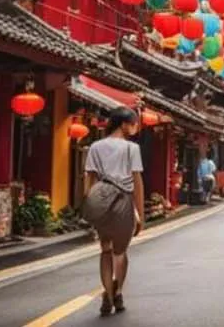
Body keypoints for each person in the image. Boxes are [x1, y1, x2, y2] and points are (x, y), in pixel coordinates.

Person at [82, 107, 145, 316]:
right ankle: (117, 293)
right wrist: (141, 213)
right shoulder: (131, 149)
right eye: (134, 123)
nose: (135, 127)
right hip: (123, 201)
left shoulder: (95, 147)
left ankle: (107, 296)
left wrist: (90, 206)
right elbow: (137, 181)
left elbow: (89, 180)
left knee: (105, 250)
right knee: (120, 252)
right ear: (124, 124)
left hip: (101, 200)